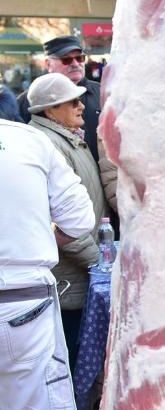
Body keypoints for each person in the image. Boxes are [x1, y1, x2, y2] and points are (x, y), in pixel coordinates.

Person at [0, 118, 95, 410]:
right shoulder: (27, 138)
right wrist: (36, 242)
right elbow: (78, 219)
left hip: (22, 299)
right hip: (22, 300)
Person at [26, 73, 109, 369]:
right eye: (71, 101)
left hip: (79, 277)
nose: (81, 106)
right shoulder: (48, 145)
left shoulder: (68, 140)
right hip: (66, 282)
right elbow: (57, 219)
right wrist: (98, 261)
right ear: (50, 111)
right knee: (67, 367)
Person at [19, 36, 103, 162]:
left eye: (79, 58)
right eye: (66, 60)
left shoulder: (103, 92)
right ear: (48, 63)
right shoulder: (29, 100)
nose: (75, 64)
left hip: (105, 177)